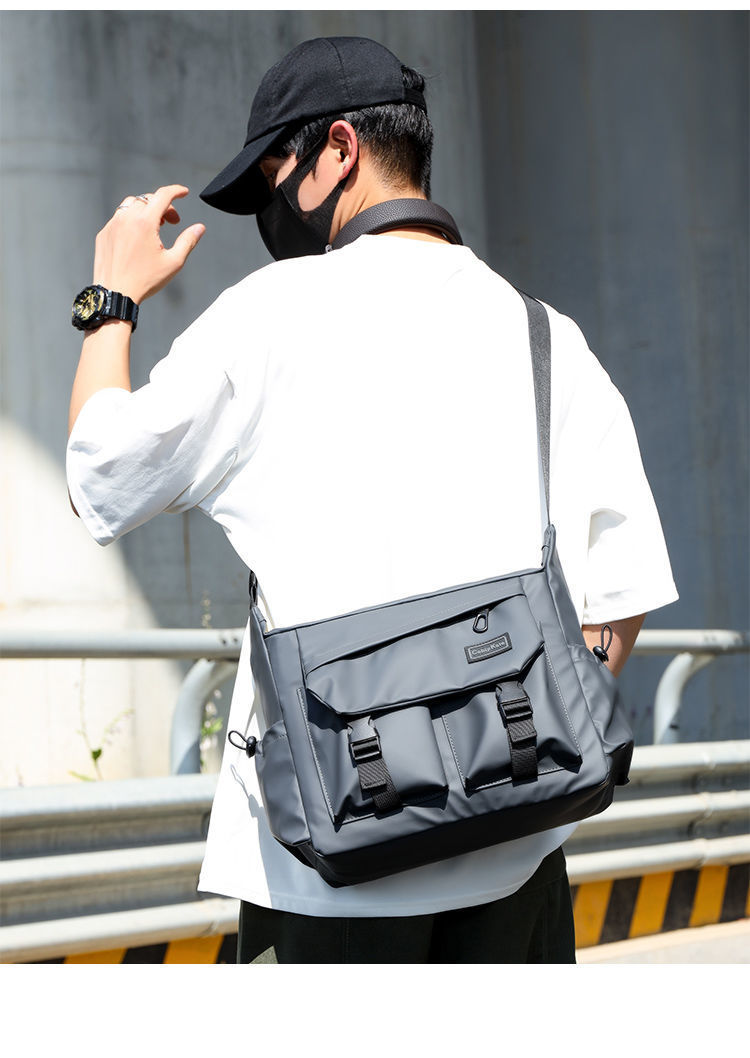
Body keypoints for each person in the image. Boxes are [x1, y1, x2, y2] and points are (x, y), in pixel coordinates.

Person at [66, 36, 678, 963]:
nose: (268, 210)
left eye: (272, 176)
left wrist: (110, 297)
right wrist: (501, 757)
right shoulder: (547, 337)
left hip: (326, 874)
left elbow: (100, 479)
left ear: (339, 149)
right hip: (520, 869)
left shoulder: (267, 317)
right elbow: (619, 602)